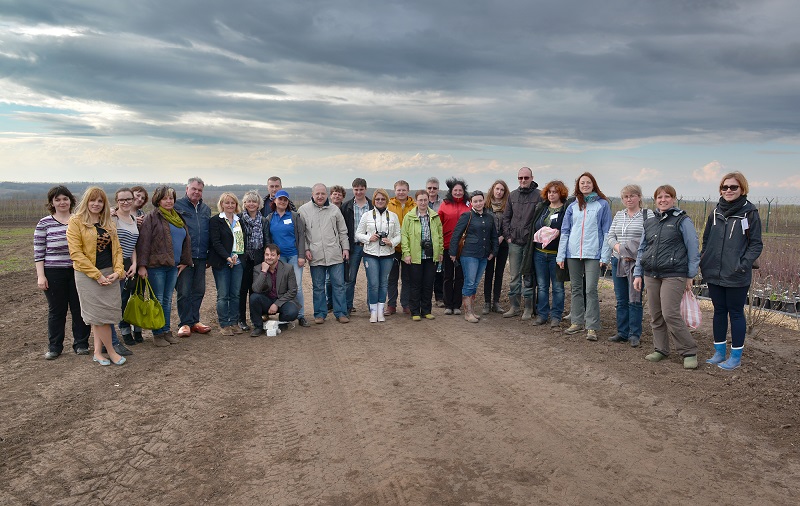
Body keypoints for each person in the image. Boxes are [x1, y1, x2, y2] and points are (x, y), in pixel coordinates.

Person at [633, 184, 700, 370]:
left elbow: (693, 247)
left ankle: (689, 351)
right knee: (655, 314)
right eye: (659, 197)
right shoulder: (650, 221)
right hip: (651, 273)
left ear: (674, 199)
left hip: (674, 273)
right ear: (655, 200)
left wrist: (690, 275)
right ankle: (661, 349)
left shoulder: (682, 220)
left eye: (667, 197)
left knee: (670, 313)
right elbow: (642, 248)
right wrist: (638, 273)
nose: (663, 200)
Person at [700, 172, 763, 370]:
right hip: (714, 271)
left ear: (742, 189)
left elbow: (756, 244)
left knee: (735, 313)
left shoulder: (749, 213)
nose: (728, 190)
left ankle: (735, 356)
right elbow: (706, 239)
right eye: (725, 187)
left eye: (733, 187)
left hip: (736, 273)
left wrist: (743, 264)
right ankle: (719, 353)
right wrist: (705, 258)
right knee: (719, 311)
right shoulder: (715, 211)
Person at [66, 187, 127, 366]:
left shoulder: (107, 222)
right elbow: (76, 253)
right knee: (98, 315)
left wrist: (118, 271)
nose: (96, 204)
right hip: (88, 276)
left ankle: (98, 353)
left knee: (103, 315)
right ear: (86, 201)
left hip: (110, 274)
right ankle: (112, 351)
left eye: (100, 201)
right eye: (93, 200)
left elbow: (117, 250)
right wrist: (97, 275)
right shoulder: (76, 221)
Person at [34, 186, 91, 359]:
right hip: (53, 272)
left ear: (71, 200)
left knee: (79, 308)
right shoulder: (44, 223)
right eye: (57, 199)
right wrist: (41, 275)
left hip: (78, 271)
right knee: (56, 311)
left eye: (65, 199)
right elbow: (39, 251)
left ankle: (81, 344)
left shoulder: (80, 220)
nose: (62, 202)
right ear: (52, 203)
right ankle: (55, 347)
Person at [556, 172, 612, 341]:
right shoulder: (572, 206)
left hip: (593, 254)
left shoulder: (602, 205)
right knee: (576, 288)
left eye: (588, 182)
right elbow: (565, 231)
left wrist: (605, 256)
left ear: (593, 184)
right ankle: (576, 322)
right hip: (573, 253)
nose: (585, 185)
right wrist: (561, 256)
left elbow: (607, 231)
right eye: (582, 183)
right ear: (578, 186)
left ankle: (592, 326)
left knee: (591, 290)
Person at [136, 185, 193, 347]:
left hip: (173, 266)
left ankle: (166, 331)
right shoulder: (152, 217)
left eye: (171, 198)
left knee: (167, 301)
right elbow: (144, 243)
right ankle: (158, 333)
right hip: (156, 267)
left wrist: (184, 261)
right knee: (158, 300)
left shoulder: (177, 217)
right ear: (158, 200)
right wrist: (142, 266)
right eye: (165, 198)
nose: (169, 201)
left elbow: (184, 241)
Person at [299, 183, 350, 324]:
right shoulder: (303, 210)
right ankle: (320, 314)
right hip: (315, 254)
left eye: (322, 193)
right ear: (312, 194)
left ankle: (341, 313)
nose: (320, 196)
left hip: (335, 253)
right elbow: (301, 234)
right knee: (318, 286)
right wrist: (306, 249)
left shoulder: (334, 210)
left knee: (339, 285)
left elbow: (342, 231)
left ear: (327, 194)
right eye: (317, 194)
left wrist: (345, 248)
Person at [606, 184, 649, 348]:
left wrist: (631, 253)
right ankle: (622, 332)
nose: (629, 199)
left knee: (635, 299)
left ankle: (634, 334)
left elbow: (649, 238)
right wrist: (621, 250)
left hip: (636, 263)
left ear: (639, 197)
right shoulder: (619, 215)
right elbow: (610, 236)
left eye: (632, 195)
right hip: (619, 261)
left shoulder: (647, 215)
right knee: (621, 298)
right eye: (625, 197)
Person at [522, 180, 569, 329]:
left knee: (557, 286)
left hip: (556, 255)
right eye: (549, 192)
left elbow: (569, 230)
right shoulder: (542, 208)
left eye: (555, 192)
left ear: (561, 193)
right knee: (542, 286)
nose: (551, 194)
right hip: (539, 253)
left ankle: (556, 316)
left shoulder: (566, 210)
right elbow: (534, 225)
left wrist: (558, 233)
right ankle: (543, 314)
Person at [449, 191, 498, 323]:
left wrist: (494, 251)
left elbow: (494, 236)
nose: (478, 203)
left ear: (484, 201)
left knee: (475, 283)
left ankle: (472, 311)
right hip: (469, 254)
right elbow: (456, 234)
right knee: (469, 282)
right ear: (471, 203)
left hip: (484, 254)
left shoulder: (489, 217)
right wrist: (453, 253)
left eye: (480, 200)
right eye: (475, 201)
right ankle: (468, 312)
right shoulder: (467, 216)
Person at [356, 189, 401, 322]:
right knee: (373, 283)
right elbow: (358, 234)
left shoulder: (393, 216)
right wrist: (369, 238)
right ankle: (373, 312)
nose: (380, 201)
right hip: (370, 253)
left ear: (387, 201)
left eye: (382, 199)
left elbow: (399, 235)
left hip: (387, 254)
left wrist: (391, 242)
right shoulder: (367, 215)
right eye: (377, 199)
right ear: (374, 201)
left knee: (384, 283)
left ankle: (380, 311)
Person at [174, 177, 212, 338]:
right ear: (187, 189)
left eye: (200, 190)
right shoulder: (177, 206)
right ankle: (184, 323)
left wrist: (209, 254)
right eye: (194, 189)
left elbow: (208, 232)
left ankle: (195, 321)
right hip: (185, 257)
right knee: (183, 290)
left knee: (199, 290)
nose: (196, 192)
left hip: (201, 256)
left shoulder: (206, 209)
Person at [502, 167, 542, 320]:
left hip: (530, 243)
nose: (523, 180)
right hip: (514, 242)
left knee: (529, 275)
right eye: (520, 178)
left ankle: (528, 308)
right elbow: (506, 218)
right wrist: (508, 236)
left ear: (532, 177)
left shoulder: (539, 196)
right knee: (514, 276)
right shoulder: (512, 196)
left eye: (526, 177)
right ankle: (514, 306)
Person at [265, 190, 309, 326]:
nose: (282, 202)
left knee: (297, 286)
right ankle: (285, 313)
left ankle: (301, 315)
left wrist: (301, 256)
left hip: (294, 256)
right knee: (281, 286)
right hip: (279, 258)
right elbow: (268, 239)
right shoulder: (269, 218)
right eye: (280, 199)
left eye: (285, 200)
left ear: (288, 202)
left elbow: (301, 236)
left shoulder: (295, 216)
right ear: (275, 201)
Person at [402, 190, 444, 321]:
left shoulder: (434, 216)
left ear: (428, 200)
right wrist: (407, 253)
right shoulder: (409, 217)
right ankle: (415, 311)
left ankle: (426, 310)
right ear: (416, 201)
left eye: (425, 200)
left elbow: (439, 235)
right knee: (415, 284)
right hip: (415, 256)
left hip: (431, 256)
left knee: (428, 284)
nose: (423, 202)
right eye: (420, 200)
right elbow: (404, 236)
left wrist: (440, 251)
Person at [209, 192, 245, 336]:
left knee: (235, 294)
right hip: (222, 262)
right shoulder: (215, 221)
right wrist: (227, 257)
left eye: (233, 203)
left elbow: (242, 241)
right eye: (227, 202)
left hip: (238, 262)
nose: (230, 205)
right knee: (223, 295)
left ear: (236, 205)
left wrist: (237, 257)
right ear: (221, 204)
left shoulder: (239, 220)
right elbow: (216, 243)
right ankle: (224, 324)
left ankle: (234, 322)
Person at [249, 243, 300, 336]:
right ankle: (258, 327)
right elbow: (255, 289)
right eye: (267, 255)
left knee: (292, 311)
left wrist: (277, 304)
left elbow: (293, 290)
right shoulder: (258, 268)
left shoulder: (288, 268)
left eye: (272, 255)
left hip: (282, 301)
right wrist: (263, 272)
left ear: (278, 256)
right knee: (254, 298)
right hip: (266, 300)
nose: (269, 257)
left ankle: (282, 323)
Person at [113, 187, 143, 347]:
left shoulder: (133, 218)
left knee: (135, 297)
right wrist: (119, 268)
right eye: (121, 200)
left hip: (131, 263)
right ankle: (124, 331)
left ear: (133, 200)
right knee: (122, 300)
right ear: (117, 202)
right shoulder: (113, 218)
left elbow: (134, 245)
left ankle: (136, 328)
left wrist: (135, 264)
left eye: (128, 199)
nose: (125, 202)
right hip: (116, 264)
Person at [237, 190, 270, 332]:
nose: (251, 204)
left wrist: (267, 259)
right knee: (242, 290)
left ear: (259, 204)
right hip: (243, 258)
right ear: (244, 204)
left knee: (256, 290)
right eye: (248, 201)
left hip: (258, 258)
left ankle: (256, 318)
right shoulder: (239, 219)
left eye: (254, 201)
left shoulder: (263, 221)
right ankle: (241, 320)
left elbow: (267, 240)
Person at [438, 178, 470, 315]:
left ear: (464, 192)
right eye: (455, 190)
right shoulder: (444, 205)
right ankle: (448, 304)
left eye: (460, 190)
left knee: (460, 277)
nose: (457, 193)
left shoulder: (469, 206)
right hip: (447, 245)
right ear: (451, 191)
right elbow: (438, 225)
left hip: (464, 247)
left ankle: (457, 305)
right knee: (448, 276)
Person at [341, 177, 373, 315]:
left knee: (372, 279)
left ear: (365, 189)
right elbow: (342, 229)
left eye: (361, 189)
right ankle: (348, 307)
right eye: (356, 189)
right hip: (353, 247)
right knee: (350, 278)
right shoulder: (346, 206)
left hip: (370, 247)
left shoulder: (373, 206)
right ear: (352, 190)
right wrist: (345, 247)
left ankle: (372, 307)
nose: (359, 192)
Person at [386, 180, 417, 315]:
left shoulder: (415, 206)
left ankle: (406, 304)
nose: (401, 192)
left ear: (408, 191)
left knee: (407, 278)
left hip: (409, 248)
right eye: (399, 190)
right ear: (395, 191)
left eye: (403, 190)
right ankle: (391, 305)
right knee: (392, 278)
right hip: (392, 248)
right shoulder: (388, 205)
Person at [483, 180, 510, 314]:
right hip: (488, 243)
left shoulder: (507, 206)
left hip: (503, 243)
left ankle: (496, 302)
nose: (499, 192)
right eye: (497, 189)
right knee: (488, 273)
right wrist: (493, 239)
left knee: (499, 273)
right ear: (492, 189)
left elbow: (510, 222)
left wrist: (502, 236)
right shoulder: (486, 206)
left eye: (502, 190)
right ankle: (487, 302)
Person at [325, 185, 346, 311]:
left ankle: (343, 304)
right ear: (330, 195)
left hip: (341, 247)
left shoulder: (346, 209)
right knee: (328, 279)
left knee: (341, 279)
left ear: (343, 197)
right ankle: (330, 302)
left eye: (339, 194)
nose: (336, 196)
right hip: (328, 247)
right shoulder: (326, 209)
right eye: (334, 194)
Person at [426, 177, 445, 307]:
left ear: (438, 189)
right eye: (429, 188)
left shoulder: (443, 203)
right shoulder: (421, 201)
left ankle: (439, 297)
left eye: (434, 188)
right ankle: (426, 297)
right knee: (426, 270)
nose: (432, 190)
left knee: (439, 270)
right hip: (423, 240)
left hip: (438, 238)